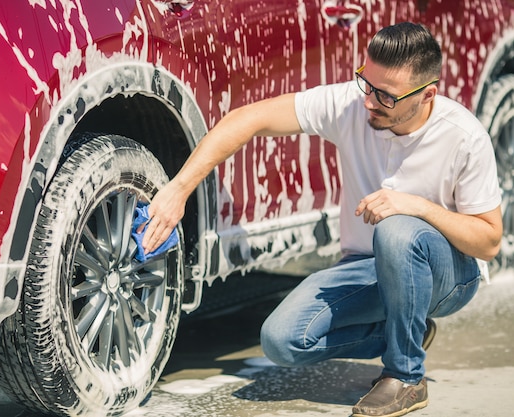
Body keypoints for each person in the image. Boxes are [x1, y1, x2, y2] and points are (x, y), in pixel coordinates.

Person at [141, 22, 502, 417]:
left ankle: (405, 376)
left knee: (397, 229)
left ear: (427, 94)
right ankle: (403, 333)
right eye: (366, 82)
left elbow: (488, 241)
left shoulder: (463, 135)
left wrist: (415, 206)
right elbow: (249, 119)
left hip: (445, 275)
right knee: (282, 341)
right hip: (364, 267)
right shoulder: (351, 103)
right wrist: (179, 189)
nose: (369, 101)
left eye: (386, 95)